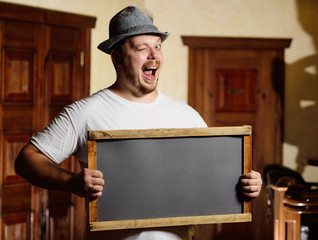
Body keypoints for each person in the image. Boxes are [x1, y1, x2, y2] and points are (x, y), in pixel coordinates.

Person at [15, 6, 263, 240]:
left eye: (157, 46)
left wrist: (247, 184)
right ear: (117, 58)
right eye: (142, 48)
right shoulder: (85, 112)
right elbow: (27, 159)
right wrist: (72, 182)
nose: (154, 55)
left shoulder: (187, 115)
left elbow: (213, 180)